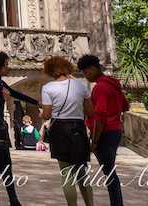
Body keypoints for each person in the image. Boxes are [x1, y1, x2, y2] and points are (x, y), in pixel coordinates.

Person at [0, 50, 39, 206]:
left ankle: (13, 200)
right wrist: (2, 99)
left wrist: (36, 102)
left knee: (6, 166)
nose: (8, 67)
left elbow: (14, 93)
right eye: (6, 64)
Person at [40, 56, 95, 206]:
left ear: (50, 71)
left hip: (59, 129)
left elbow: (46, 115)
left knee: (67, 174)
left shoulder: (48, 88)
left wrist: (42, 113)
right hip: (78, 128)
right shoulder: (81, 86)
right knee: (82, 173)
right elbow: (90, 112)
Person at [78, 54, 129, 206]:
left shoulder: (100, 87)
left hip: (105, 133)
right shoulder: (114, 84)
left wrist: (94, 140)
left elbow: (99, 118)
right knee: (110, 171)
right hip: (116, 131)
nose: (86, 77)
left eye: (86, 73)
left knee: (110, 174)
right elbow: (126, 106)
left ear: (93, 69)